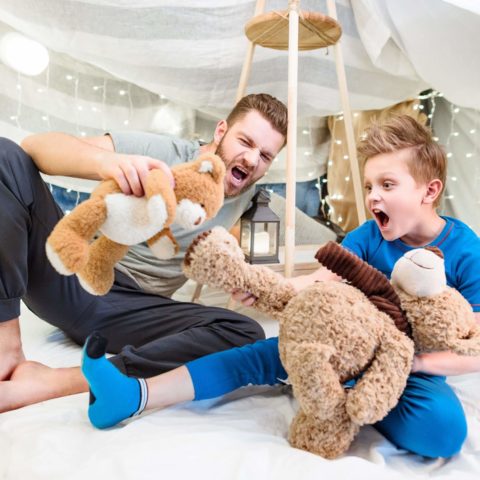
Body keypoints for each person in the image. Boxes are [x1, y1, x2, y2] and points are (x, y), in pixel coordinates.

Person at [81, 115, 480, 458]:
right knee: (258, 354)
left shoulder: (465, 250)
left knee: (443, 432)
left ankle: (343, 396)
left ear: (430, 191)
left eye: (387, 185)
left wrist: (415, 364)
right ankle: (136, 394)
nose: (374, 196)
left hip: (405, 367)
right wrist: (270, 290)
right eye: (370, 186)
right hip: (335, 344)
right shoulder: (367, 236)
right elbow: (320, 283)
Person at [0, 93, 288, 412]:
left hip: (134, 307)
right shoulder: (168, 154)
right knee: (5, 155)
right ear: (221, 131)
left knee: (245, 332)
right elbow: (35, 147)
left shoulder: (253, 203)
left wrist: (301, 278)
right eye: (245, 142)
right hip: (80, 275)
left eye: (265, 155)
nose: (251, 159)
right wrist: (106, 162)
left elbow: (322, 234)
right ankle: (7, 346)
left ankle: (64, 380)